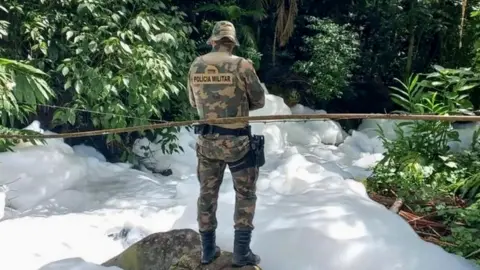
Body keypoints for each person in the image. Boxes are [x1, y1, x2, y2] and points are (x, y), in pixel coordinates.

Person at [186, 21, 266, 267]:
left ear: (213, 40)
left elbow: (192, 102)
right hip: (238, 144)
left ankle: (207, 251)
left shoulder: (196, 65)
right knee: (246, 194)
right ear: (232, 43)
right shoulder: (242, 65)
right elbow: (259, 101)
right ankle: (241, 252)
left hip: (207, 143)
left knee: (206, 195)